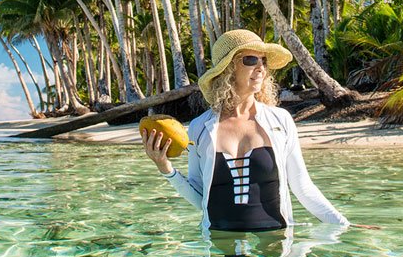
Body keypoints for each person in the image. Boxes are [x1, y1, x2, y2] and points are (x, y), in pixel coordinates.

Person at [141, 28, 348, 235]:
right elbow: (201, 197)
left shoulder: (280, 121)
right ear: (227, 69)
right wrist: (165, 168)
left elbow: (303, 187)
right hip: (218, 248)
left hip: (275, 247)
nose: (260, 68)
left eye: (263, 61)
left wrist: (343, 225)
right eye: (250, 60)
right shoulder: (200, 128)